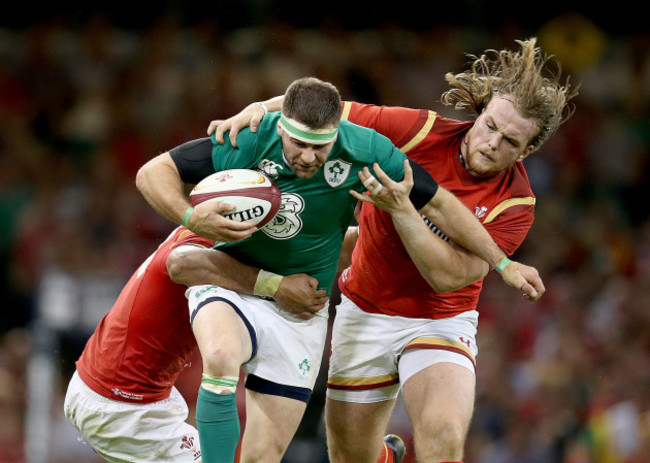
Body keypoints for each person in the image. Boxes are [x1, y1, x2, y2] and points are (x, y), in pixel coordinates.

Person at [135, 76, 544, 463]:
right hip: (365, 310)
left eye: (510, 141)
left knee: (441, 437)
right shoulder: (420, 131)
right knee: (353, 457)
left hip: (438, 320)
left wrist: (494, 258)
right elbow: (325, 110)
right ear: (481, 112)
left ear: (525, 151)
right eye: (489, 126)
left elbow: (446, 275)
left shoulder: (516, 203)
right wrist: (259, 109)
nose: (492, 143)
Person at [63, 224, 329, 462]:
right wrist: (276, 286)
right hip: (122, 405)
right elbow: (181, 263)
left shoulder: (205, 235)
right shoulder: (201, 253)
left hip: (122, 393)